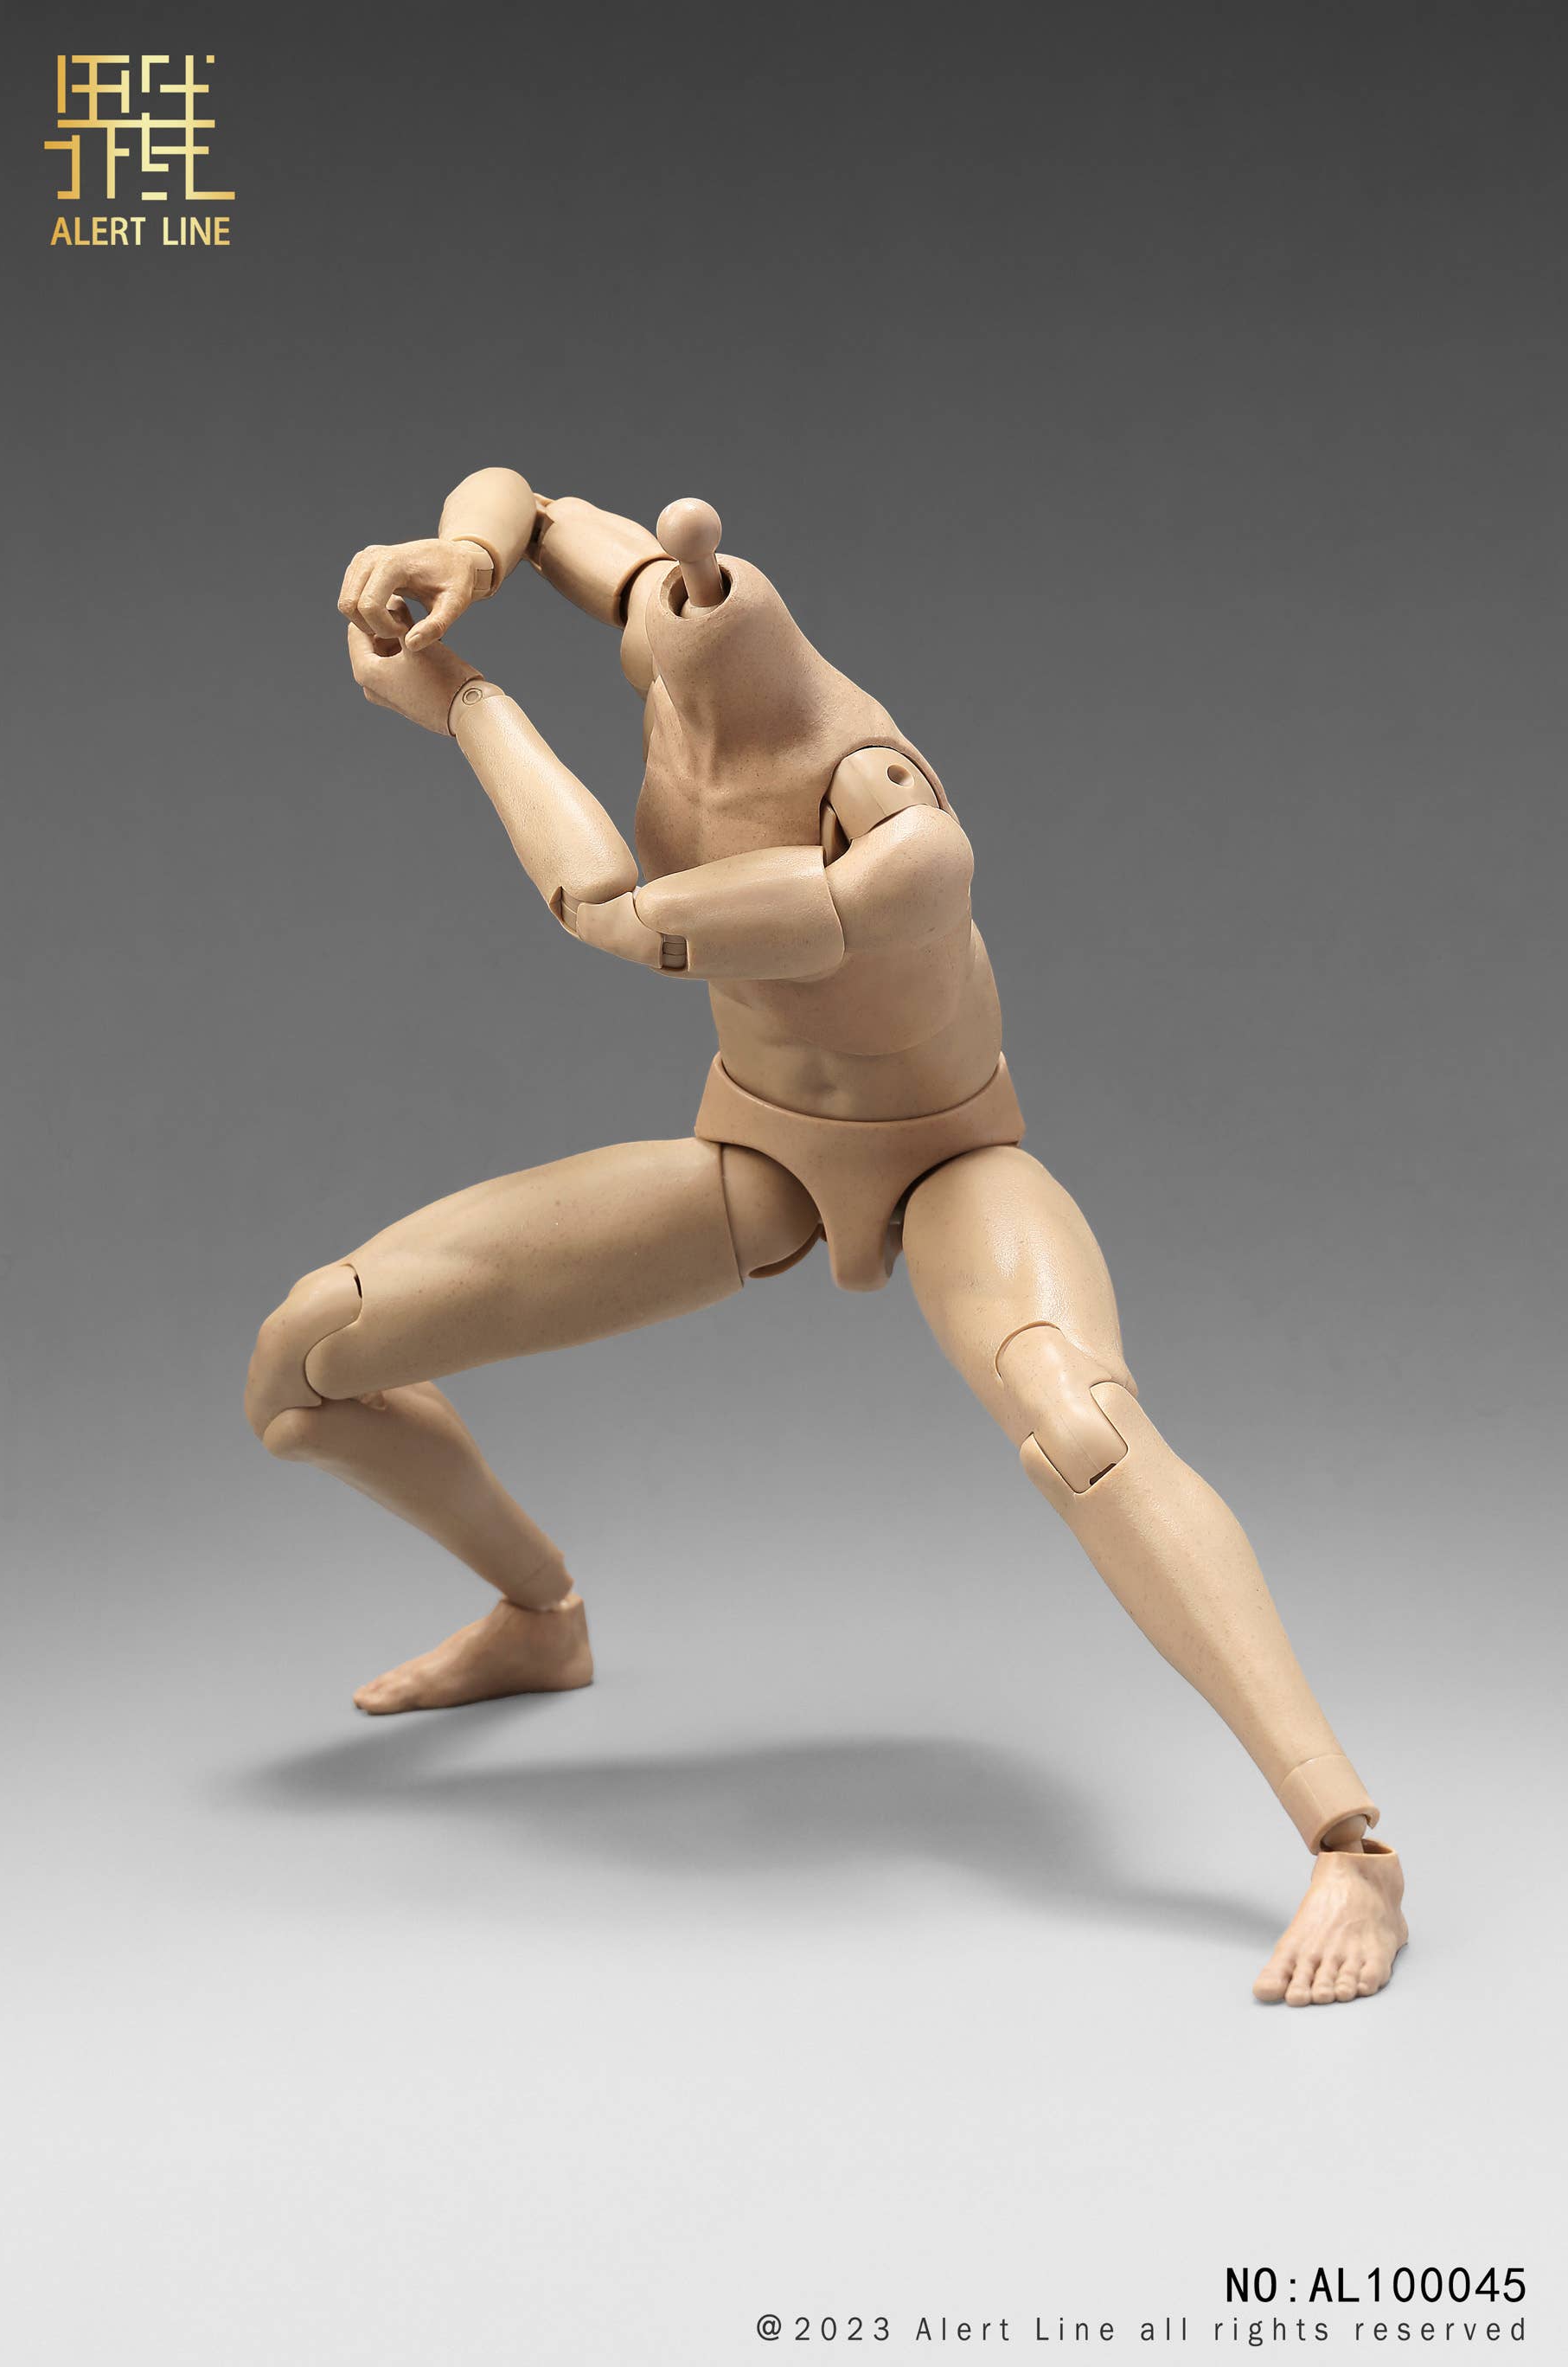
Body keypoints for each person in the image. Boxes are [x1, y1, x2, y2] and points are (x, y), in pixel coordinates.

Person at [245, 471, 1407, 2005]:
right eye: (661, 609)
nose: (662, 630)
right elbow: (541, 505)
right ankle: (539, 1618)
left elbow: (612, 909)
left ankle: (1351, 1848)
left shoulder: (898, 830)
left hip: (953, 1169)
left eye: (683, 611)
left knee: (1081, 1427)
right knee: (307, 1362)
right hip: (758, 1159)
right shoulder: (674, 639)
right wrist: (462, 551)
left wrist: (464, 703)